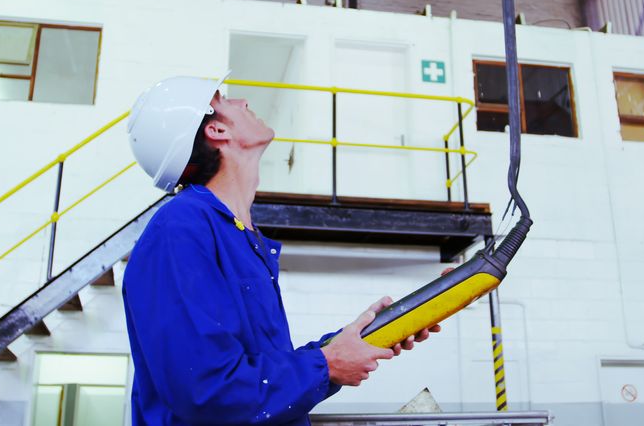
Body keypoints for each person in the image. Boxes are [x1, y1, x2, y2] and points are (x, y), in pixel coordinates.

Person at [122, 75, 440, 425]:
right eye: (226, 100)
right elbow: (207, 389)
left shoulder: (238, 234)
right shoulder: (179, 229)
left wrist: (364, 335)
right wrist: (329, 364)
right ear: (217, 132)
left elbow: (261, 371)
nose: (242, 102)